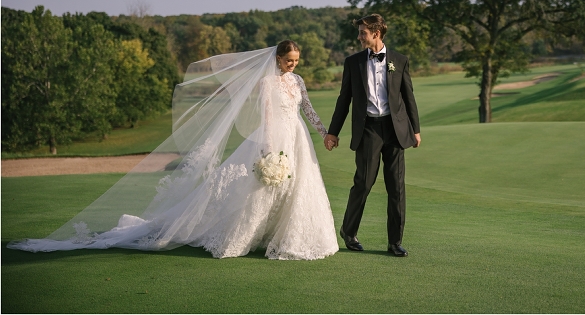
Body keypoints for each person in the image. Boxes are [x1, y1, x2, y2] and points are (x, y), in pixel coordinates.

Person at [8, 40, 339, 260]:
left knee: (298, 189)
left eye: (296, 61)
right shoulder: (267, 83)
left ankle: (287, 237)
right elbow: (267, 116)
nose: (293, 65)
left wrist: (324, 132)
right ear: (278, 59)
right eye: (289, 60)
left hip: (296, 138)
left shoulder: (298, 83)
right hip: (273, 139)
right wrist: (268, 151)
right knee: (258, 190)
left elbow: (307, 109)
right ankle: (245, 236)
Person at [323, 14, 421, 257]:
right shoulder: (352, 62)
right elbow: (344, 99)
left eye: (363, 33)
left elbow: (409, 97)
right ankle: (348, 230)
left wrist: (415, 130)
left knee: (396, 187)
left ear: (376, 33)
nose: (359, 37)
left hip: (395, 130)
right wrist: (333, 132)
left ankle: (394, 242)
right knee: (364, 182)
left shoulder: (399, 60)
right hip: (368, 129)